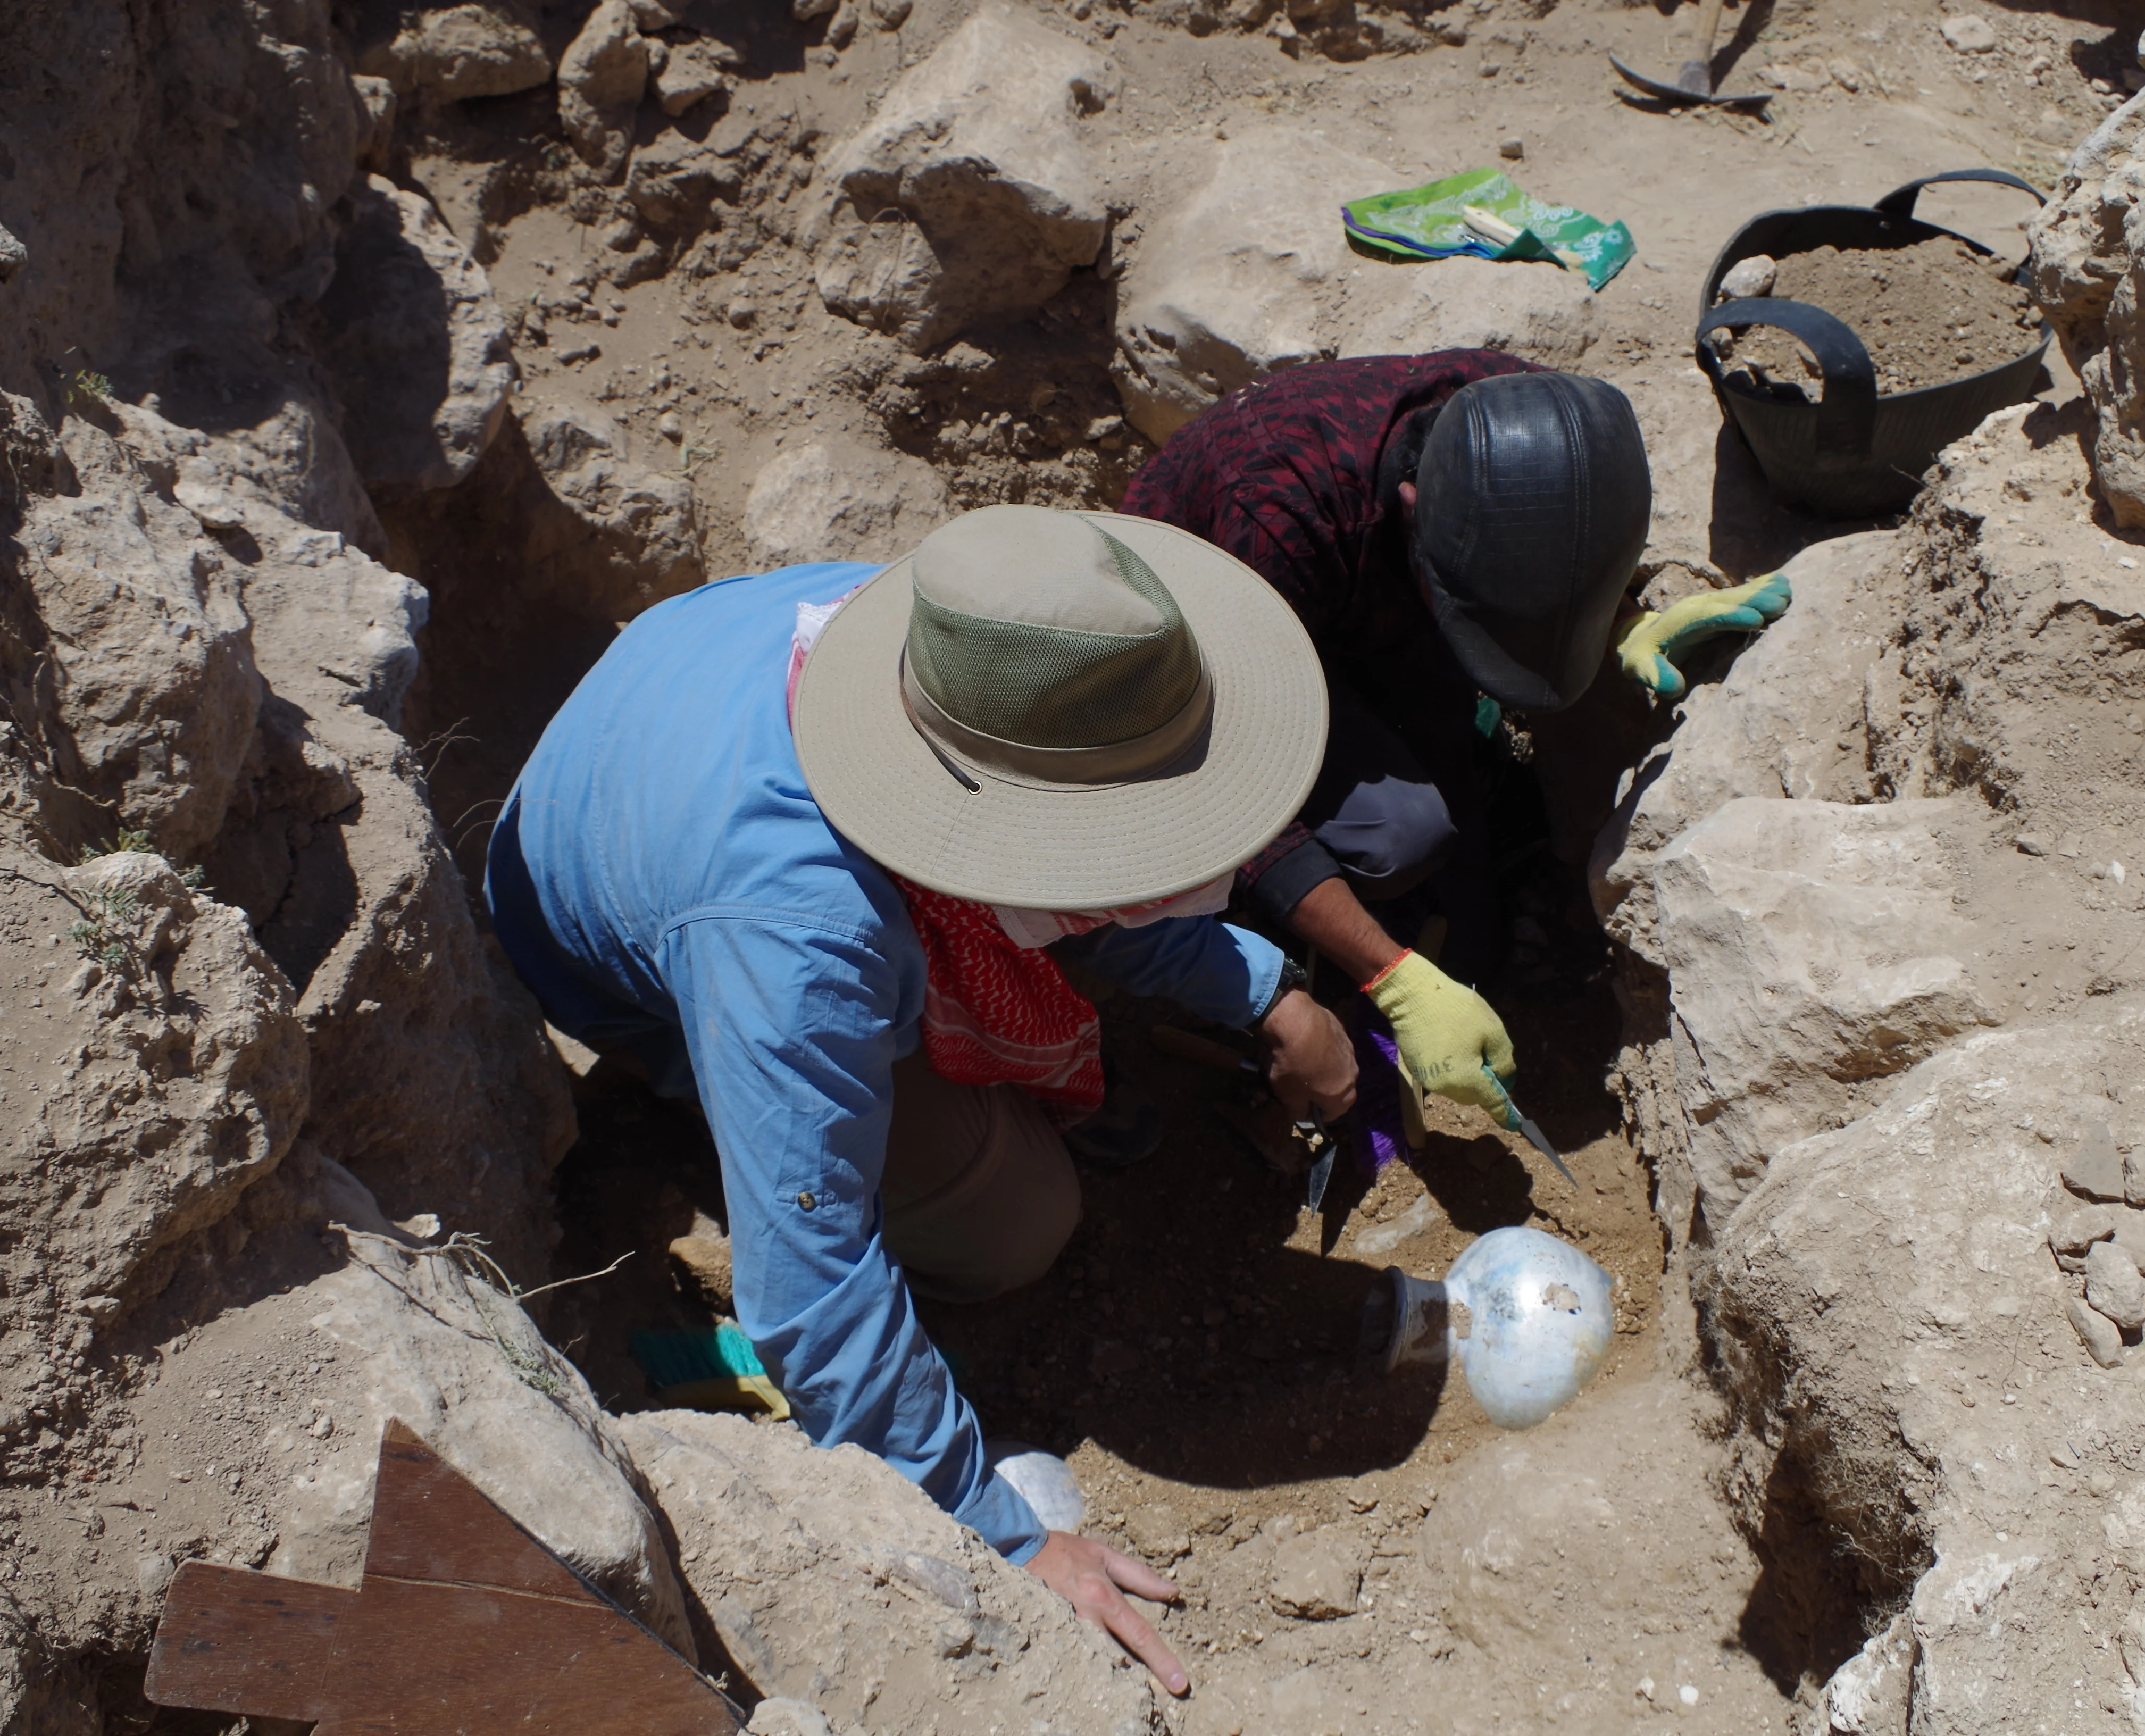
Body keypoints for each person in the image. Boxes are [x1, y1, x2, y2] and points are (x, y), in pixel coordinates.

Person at [485, 504, 1360, 1693]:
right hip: (650, 957)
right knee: (1018, 1224)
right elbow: (814, 1287)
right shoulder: (798, 941)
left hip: (670, 771)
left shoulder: (985, 649)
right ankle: (690, 1124)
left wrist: (1264, 993)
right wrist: (1007, 1536)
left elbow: (1106, 879)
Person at [1121, 350, 1788, 1129]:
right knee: (1398, 839)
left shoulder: (1542, 436)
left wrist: (1622, 616)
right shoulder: (1277, 515)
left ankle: (1525, 867)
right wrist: (1393, 980)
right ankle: (1269, 930)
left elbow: (1563, 559)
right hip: (1194, 670)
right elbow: (1215, 774)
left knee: (1471, 921)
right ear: (1412, 511)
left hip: (1378, 614)